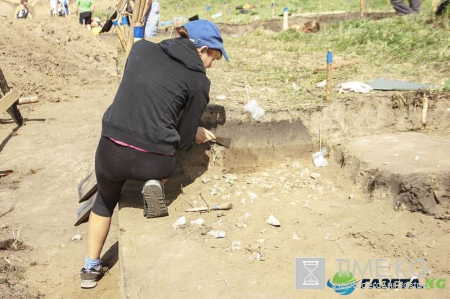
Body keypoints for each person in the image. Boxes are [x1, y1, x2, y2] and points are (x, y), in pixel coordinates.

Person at [79, 19, 229, 289]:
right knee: (161, 159)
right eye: (214, 58)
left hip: (110, 147)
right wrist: (194, 131)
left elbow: (135, 92)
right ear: (203, 49)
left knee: (104, 201)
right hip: (154, 159)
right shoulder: (198, 81)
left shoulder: (141, 49)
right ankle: (154, 183)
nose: (212, 65)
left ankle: (90, 268)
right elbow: (182, 141)